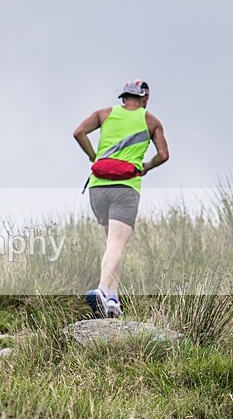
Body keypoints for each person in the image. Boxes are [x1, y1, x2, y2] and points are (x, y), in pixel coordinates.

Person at [73, 79, 170, 318]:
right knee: (116, 244)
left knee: (112, 245)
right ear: (145, 98)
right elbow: (163, 155)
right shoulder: (151, 121)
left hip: (98, 187)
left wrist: (93, 156)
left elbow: (78, 133)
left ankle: (112, 300)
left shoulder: (104, 114)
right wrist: (147, 166)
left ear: (124, 97)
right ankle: (102, 291)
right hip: (125, 187)